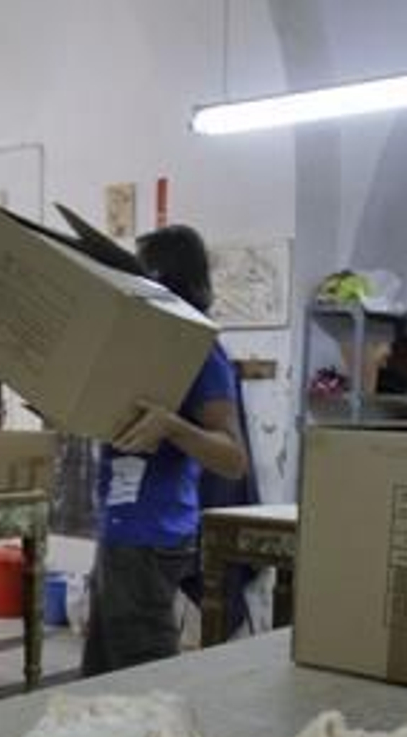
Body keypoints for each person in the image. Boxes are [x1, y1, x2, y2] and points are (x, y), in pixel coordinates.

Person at [80, 224, 249, 677]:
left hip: (150, 536)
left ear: (167, 276)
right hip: (120, 531)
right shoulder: (139, 347)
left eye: (142, 269)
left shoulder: (199, 350)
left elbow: (233, 458)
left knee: (145, 681)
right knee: (101, 678)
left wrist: (172, 426)